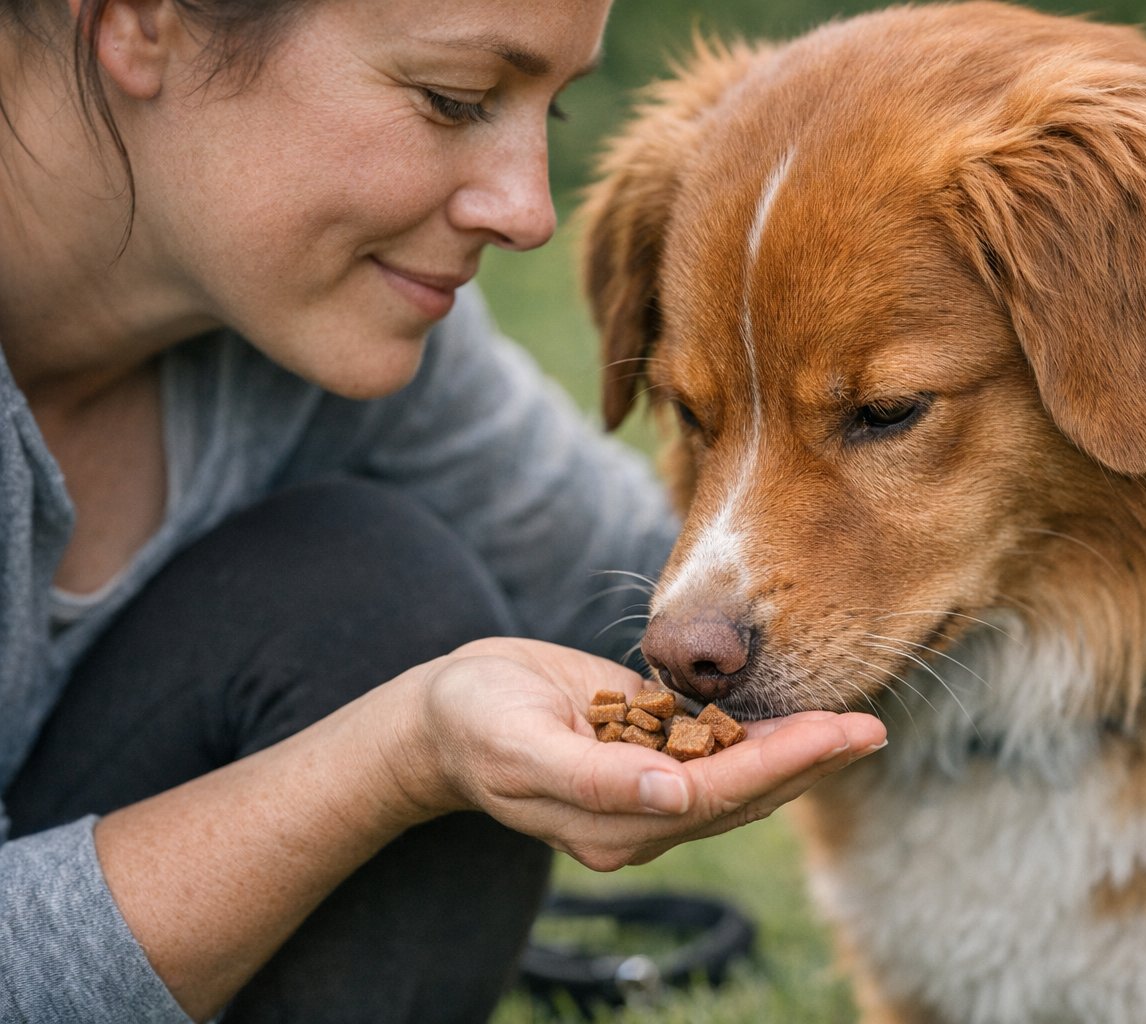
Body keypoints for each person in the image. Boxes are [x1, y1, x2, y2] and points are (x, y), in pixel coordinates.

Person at [0, 1, 889, 1021]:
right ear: (143, 24)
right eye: (453, 98)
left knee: (364, 591)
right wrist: (400, 755)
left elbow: (626, 578)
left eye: (547, 113)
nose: (528, 212)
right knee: (379, 603)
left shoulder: (331, 311)